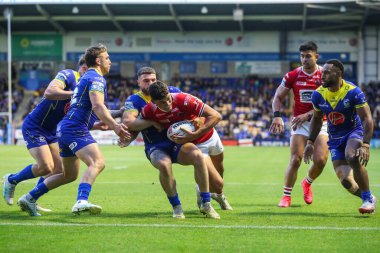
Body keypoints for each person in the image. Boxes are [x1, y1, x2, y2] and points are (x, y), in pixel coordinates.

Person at [16, 44, 131, 216]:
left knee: (69, 175)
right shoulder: (97, 78)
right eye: (107, 58)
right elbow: (98, 106)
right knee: (97, 162)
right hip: (74, 128)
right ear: (98, 61)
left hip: (65, 128)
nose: (110, 61)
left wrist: (118, 113)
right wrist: (115, 126)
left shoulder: (87, 77)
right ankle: (81, 201)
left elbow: (91, 108)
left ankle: (30, 197)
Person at [123, 67, 232, 211]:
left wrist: (200, 118)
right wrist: (148, 124)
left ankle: (217, 194)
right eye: (146, 81)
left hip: (205, 134)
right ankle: (196, 196)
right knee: (216, 181)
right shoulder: (135, 100)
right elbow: (130, 122)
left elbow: (194, 106)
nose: (150, 83)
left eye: (153, 80)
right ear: (138, 82)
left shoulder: (172, 91)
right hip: (178, 141)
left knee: (220, 173)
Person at [3, 56, 87, 212]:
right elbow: (50, 92)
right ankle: (11, 179)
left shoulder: (85, 89)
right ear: (83, 69)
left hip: (51, 130)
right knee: (45, 167)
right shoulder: (69, 75)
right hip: (35, 126)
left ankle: (31, 199)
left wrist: (115, 116)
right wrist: (74, 94)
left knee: (58, 170)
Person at [304, 59, 377, 214]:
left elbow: (367, 118)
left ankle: (366, 200)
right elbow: (317, 119)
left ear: (338, 74)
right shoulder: (318, 95)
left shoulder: (353, 92)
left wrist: (365, 144)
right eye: (322, 72)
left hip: (354, 131)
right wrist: (310, 142)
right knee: (346, 181)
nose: (322, 76)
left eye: (326, 72)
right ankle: (370, 197)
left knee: (351, 156)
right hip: (335, 138)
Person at [269, 41, 329, 208]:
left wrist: (308, 114)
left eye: (308, 56)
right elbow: (278, 97)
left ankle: (307, 182)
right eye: (302, 56)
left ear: (316, 56)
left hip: (321, 123)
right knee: (295, 159)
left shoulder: (326, 75)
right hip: (299, 124)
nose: (304, 59)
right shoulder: (292, 75)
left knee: (321, 160)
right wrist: (277, 116)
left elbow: (330, 102)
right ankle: (286, 196)